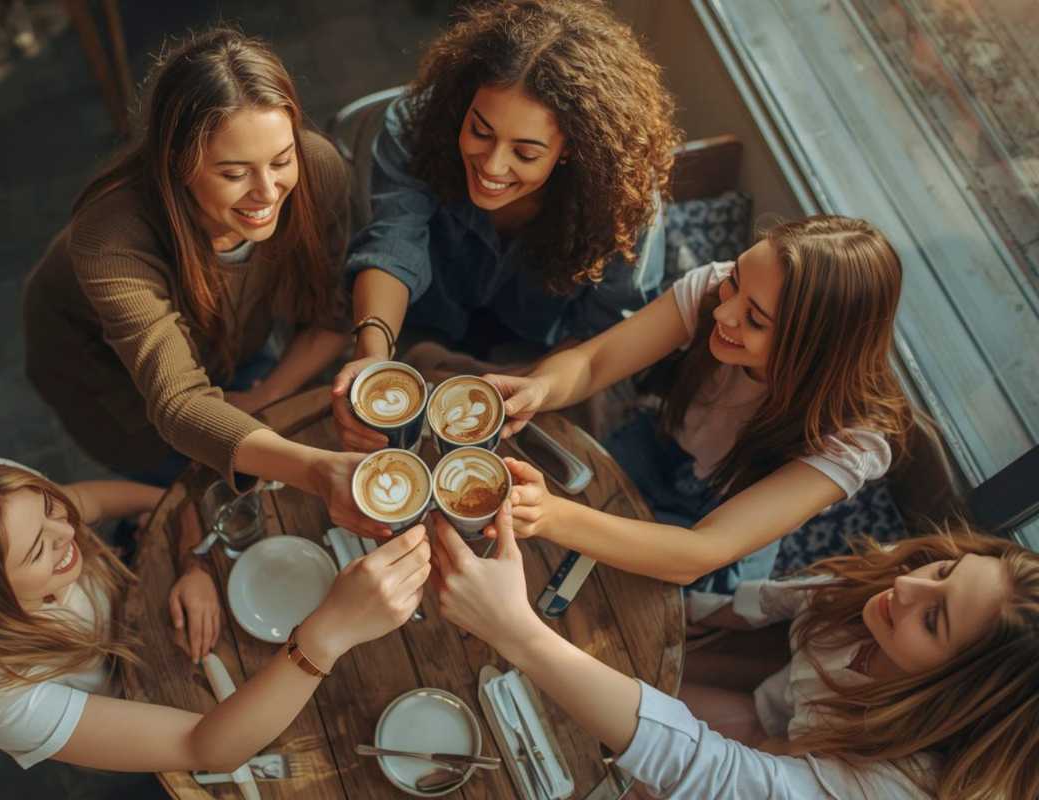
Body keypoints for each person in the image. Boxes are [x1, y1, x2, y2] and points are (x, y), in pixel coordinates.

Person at [0, 460, 429, 770]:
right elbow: (206, 750)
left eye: (48, 508)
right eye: (42, 551)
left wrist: (187, 560)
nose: (67, 528)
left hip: (152, 599)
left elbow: (119, 502)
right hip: (135, 706)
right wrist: (327, 634)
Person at [22, 28, 377, 533]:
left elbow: (333, 315)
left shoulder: (318, 168)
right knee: (183, 492)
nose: (267, 193)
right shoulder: (111, 239)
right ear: (176, 164)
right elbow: (176, 403)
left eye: (280, 160)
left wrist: (262, 396)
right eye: (234, 174)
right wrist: (318, 471)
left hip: (233, 337)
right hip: (116, 387)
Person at [432, 506, 1039, 799]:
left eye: (934, 618)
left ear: (956, 696)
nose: (906, 586)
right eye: (944, 570)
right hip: (781, 721)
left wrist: (517, 630)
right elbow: (781, 600)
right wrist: (689, 616)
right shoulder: (894, 583)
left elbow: (721, 777)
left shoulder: (900, 786)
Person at [487, 215, 915, 616]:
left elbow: (700, 551)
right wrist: (541, 387)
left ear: (815, 349)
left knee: (606, 612)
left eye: (755, 319)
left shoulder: (851, 438)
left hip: (720, 518)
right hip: (655, 447)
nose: (723, 313)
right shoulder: (716, 289)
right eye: (735, 282)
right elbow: (595, 362)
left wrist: (552, 514)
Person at [332, 0, 680, 451]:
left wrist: (538, 385)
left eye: (527, 153)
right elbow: (393, 241)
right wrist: (374, 356)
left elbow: (606, 330)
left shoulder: (622, 201)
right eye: (480, 132)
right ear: (463, 106)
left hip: (543, 361)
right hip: (418, 330)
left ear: (573, 148)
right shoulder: (415, 127)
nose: (493, 166)